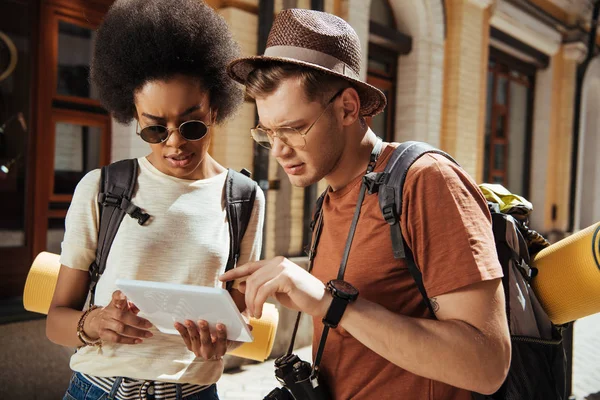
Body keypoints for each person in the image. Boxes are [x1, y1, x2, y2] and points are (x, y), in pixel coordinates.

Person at [221, 9, 511, 400]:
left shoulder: (426, 182)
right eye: (267, 132)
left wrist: (331, 303)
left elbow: (487, 365)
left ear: (348, 108)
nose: (278, 150)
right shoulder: (328, 202)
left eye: (292, 129)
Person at [46, 1, 265, 399]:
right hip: (99, 390)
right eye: (155, 129)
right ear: (134, 115)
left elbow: (239, 317)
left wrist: (222, 343)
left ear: (215, 107)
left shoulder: (244, 198)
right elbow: (56, 320)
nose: (175, 142)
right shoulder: (102, 189)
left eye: (191, 123)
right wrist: (93, 323)